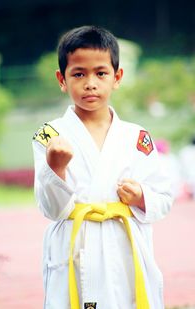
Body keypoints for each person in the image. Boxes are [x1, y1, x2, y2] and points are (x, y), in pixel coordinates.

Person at [32, 25, 172, 309]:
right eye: (79, 74)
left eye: (101, 73)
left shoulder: (137, 136)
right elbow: (52, 210)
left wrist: (141, 196)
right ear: (62, 79)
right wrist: (55, 169)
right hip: (76, 246)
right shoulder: (48, 135)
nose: (90, 83)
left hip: (124, 246)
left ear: (117, 77)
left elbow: (164, 197)